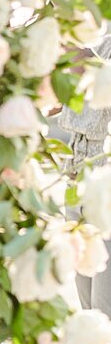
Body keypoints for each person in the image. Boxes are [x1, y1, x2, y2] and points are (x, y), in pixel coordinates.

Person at [58, 36, 111, 310]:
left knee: (104, 310)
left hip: (105, 190)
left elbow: (92, 75)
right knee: (89, 307)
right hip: (79, 178)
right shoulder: (105, 41)